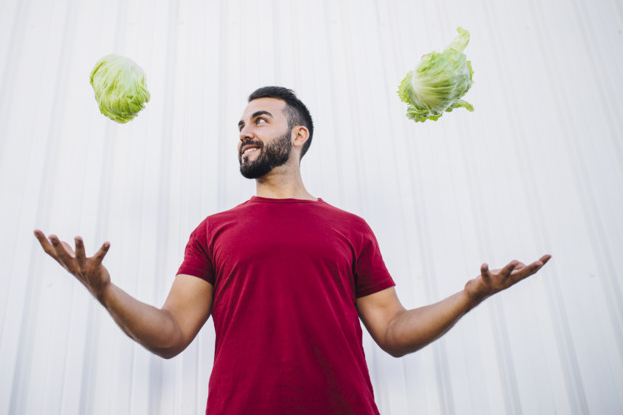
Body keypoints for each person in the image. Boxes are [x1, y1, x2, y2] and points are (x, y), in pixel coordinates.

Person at [34, 86, 550, 414]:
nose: (244, 133)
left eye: (259, 120)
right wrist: (103, 290)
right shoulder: (214, 230)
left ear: (297, 134)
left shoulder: (351, 229)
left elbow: (393, 332)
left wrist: (470, 296)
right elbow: (170, 335)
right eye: (240, 126)